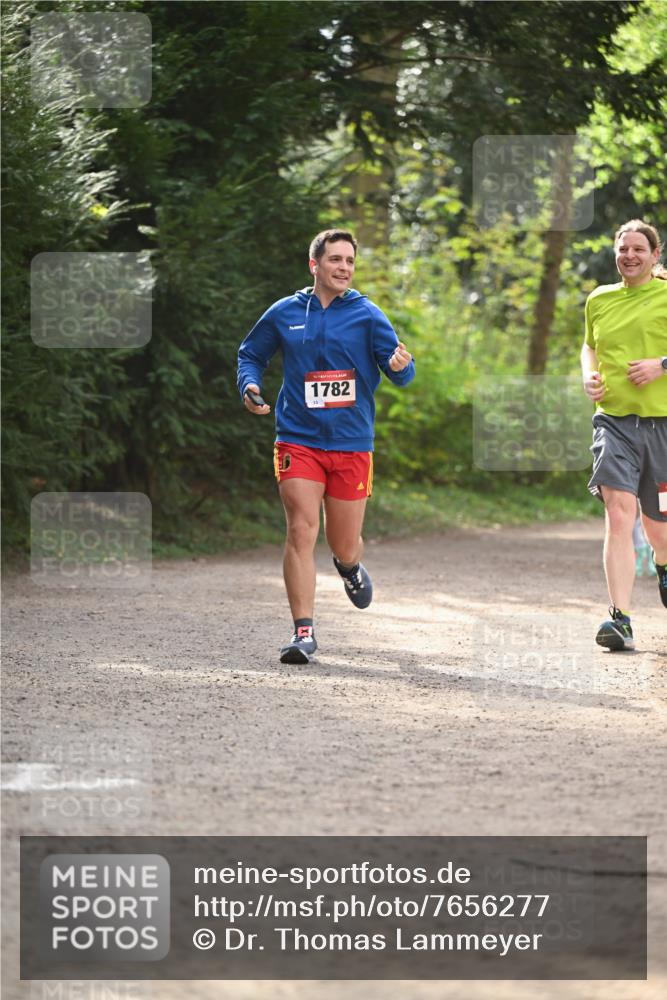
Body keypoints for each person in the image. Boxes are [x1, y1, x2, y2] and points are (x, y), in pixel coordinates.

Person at [237, 229, 415, 663]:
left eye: (350, 261)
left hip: (352, 443)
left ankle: (350, 566)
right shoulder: (284, 312)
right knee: (300, 528)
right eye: (335, 260)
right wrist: (250, 384)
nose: (344, 268)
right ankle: (303, 631)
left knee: (343, 542)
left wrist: (400, 366)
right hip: (298, 437)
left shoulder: (368, 315)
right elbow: (251, 353)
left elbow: (402, 373)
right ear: (314, 265)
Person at [581, 219, 667, 650]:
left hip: (664, 427)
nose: (629, 255)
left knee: (660, 528)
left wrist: (661, 365)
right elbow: (589, 345)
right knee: (619, 513)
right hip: (613, 420)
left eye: (639, 249)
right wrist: (588, 376)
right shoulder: (599, 299)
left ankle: (664, 564)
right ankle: (621, 619)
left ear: (655, 255)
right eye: (623, 248)